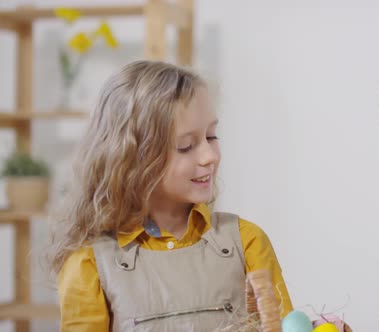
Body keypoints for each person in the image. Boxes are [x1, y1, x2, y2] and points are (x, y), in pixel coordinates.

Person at [49, 60, 293, 331]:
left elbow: (286, 324)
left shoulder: (246, 242)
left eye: (211, 137)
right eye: (186, 146)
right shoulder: (89, 262)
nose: (209, 156)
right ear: (132, 158)